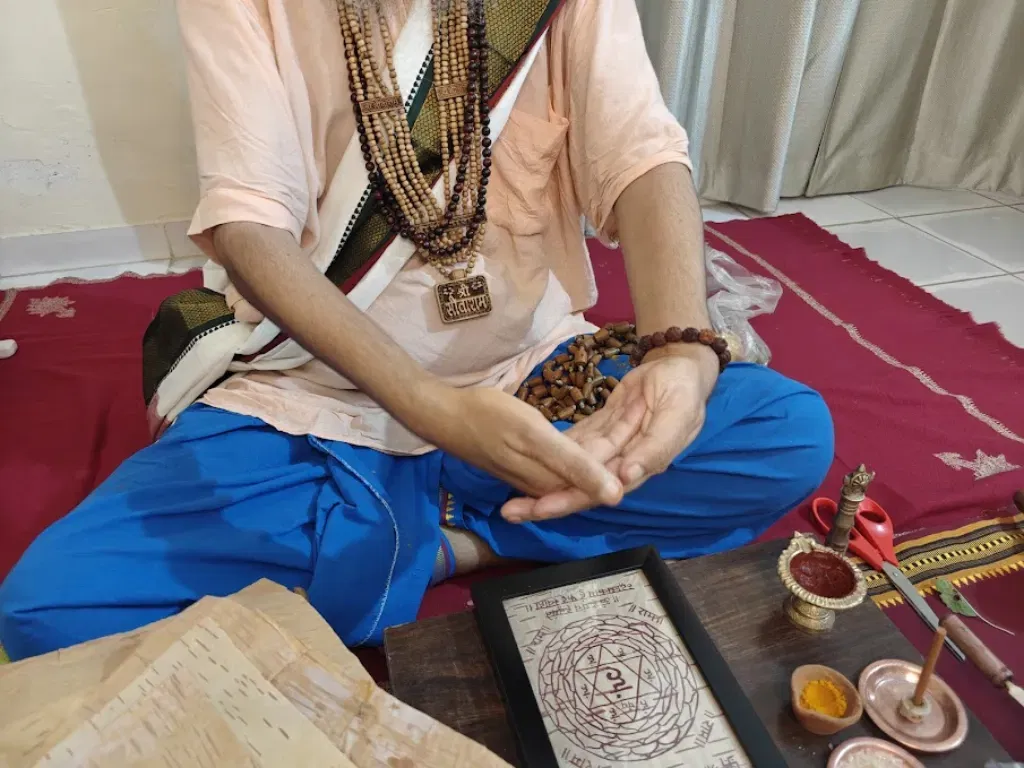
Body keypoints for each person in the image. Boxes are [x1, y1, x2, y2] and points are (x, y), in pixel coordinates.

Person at [0, 0, 832, 661]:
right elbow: (249, 225)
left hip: (530, 372)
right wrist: (433, 410)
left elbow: (643, 153)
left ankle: (441, 543)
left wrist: (682, 347)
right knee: (52, 608)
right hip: (326, 390)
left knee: (784, 433)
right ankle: (484, 529)